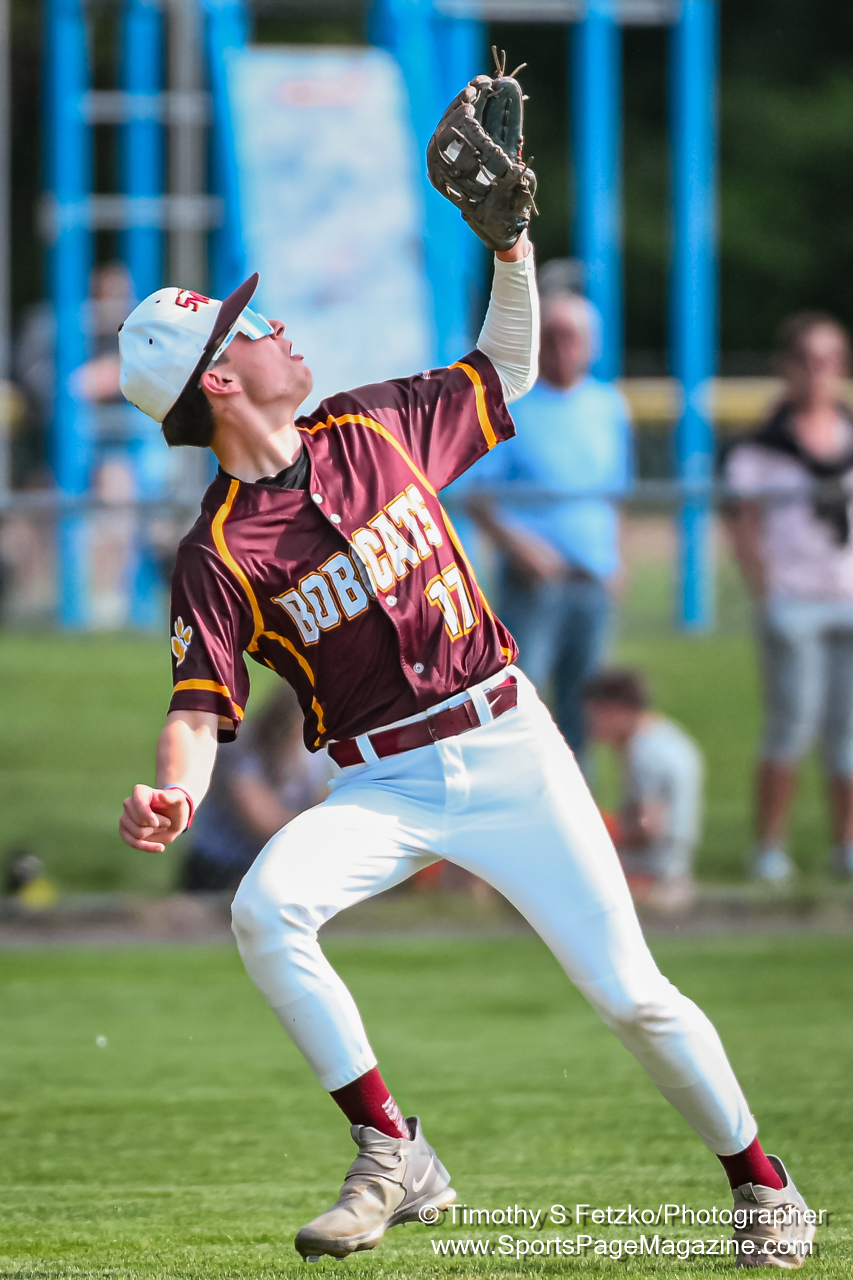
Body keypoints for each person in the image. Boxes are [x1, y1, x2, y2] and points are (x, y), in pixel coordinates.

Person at [115, 247, 814, 1264]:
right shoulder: (219, 552)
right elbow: (196, 707)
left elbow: (505, 368)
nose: (277, 328)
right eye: (250, 327)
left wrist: (511, 253)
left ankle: (763, 1186)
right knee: (264, 909)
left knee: (631, 995)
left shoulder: (369, 425)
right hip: (382, 783)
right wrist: (177, 793)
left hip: (506, 745)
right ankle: (392, 1148)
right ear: (218, 379)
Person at [466, 286, 632, 759]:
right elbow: (478, 497)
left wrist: (617, 559)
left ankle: (579, 796)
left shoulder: (608, 407)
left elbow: (615, 495)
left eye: (570, 335)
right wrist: (523, 549)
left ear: (590, 344)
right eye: (551, 335)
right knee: (525, 703)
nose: (561, 346)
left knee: (588, 708)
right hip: (534, 584)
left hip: (592, 579)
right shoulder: (511, 407)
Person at [725, 311, 853, 883]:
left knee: (847, 733)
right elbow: (744, 525)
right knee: (791, 726)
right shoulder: (762, 446)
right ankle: (769, 848)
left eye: (828, 360)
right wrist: (766, 591)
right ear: (786, 366)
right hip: (794, 601)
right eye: (805, 360)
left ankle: (845, 844)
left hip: (846, 596)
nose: (816, 371)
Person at [179, 686, 332, 893]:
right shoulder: (241, 748)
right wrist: (330, 810)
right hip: (221, 868)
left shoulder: (315, 754)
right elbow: (267, 825)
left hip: (273, 867)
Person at [583, 668, 703, 912]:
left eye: (596, 715)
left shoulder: (645, 754)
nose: (590, 724)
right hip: (672, 862)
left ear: (618, 711)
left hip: (653, 869)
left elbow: (648, 826)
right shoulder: (664, 734)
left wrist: (598, 838)